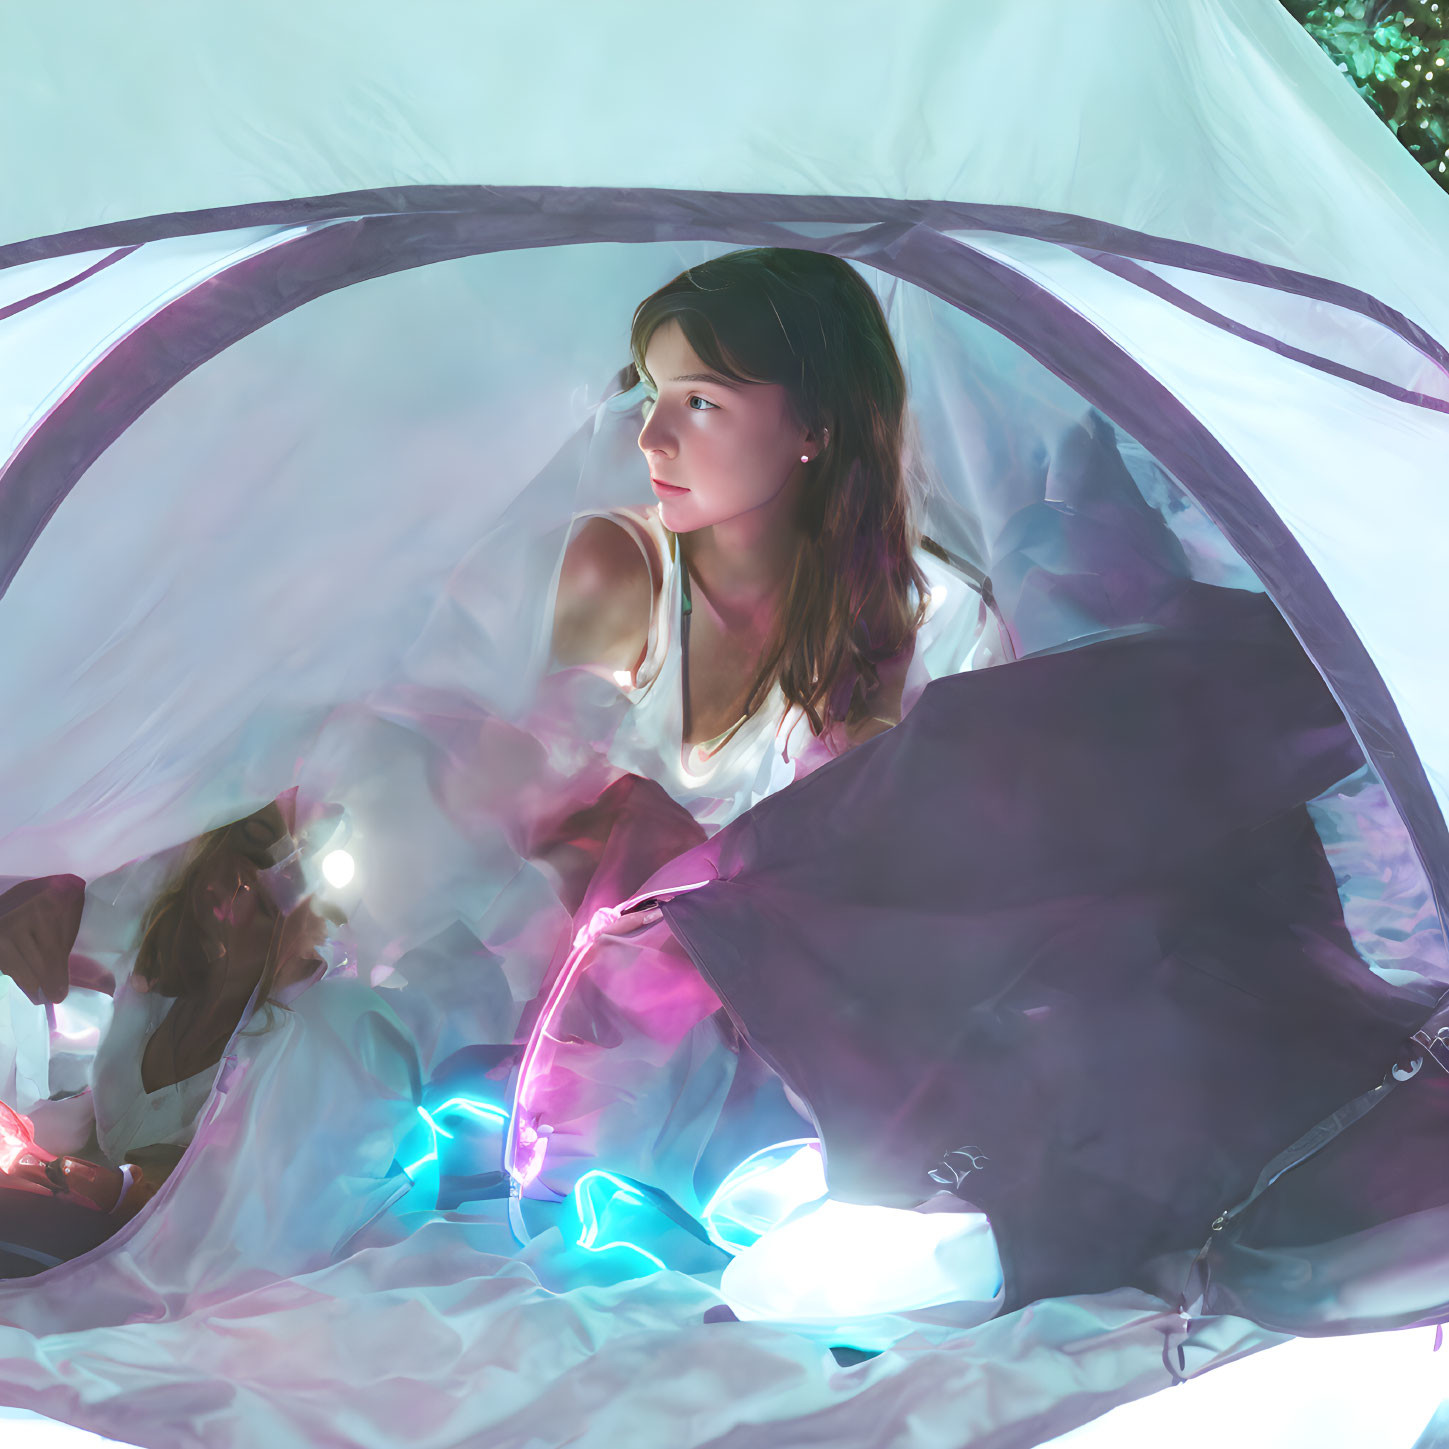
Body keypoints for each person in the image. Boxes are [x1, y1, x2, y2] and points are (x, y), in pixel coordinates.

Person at [0, 797, 355, 1275]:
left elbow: (247, 1212)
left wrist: (110, 1189)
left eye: (268, 884)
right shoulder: (154, 983)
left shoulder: (292, 1045)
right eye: (241, 850)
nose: (240, 882)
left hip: (145, 1265)